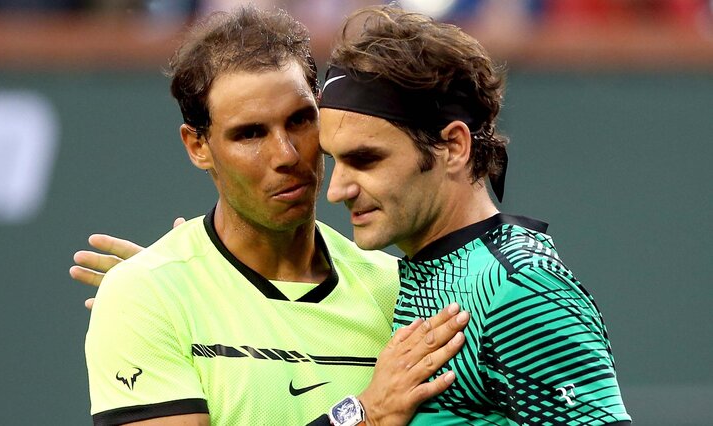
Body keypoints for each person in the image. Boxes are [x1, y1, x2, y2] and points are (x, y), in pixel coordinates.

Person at [81, 6, 468, 426]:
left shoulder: (401, 290)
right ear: (198, 146)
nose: (286, 155)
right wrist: (364, 415)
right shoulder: (147, 296)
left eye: (300, 120)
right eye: (250, 134)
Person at [315, 5, 631, 425]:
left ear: (454, 147)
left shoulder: (517, 284)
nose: (337, 190)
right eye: (334, 160)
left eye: (366, 159)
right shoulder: (416, 275)